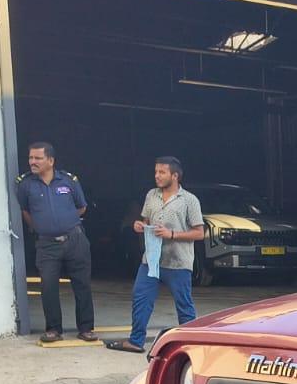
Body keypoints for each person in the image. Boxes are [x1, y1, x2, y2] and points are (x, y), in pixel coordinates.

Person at [107, 156, 204, 353]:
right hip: (151, 260)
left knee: (184, 304)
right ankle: (136, 341)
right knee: (140, 298)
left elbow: (200, 233)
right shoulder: (151, 195)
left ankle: (192, 344)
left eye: (162, 172)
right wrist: (140, 225)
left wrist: (172, 234)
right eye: (155, 172)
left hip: (178, 262)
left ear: (175, 175)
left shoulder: (189, 200)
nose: (157, 176)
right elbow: (146, 220)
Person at [16, 142, 96, 342]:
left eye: (38, 158)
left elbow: (81, 207)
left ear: (50, 161)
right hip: (47, 244)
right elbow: (25, 211)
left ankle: (86, 328)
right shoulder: (25, 184)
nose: (32, 162)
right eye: (30, 158)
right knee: (48, 286)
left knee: (82, 284)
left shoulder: (68, 181)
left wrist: (64, 222)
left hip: (75, 239)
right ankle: (53, 329)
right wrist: (44, 227)